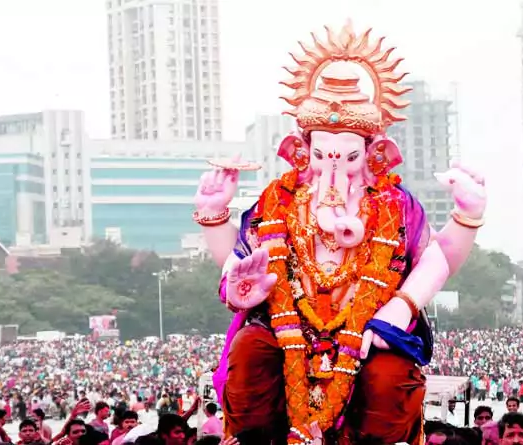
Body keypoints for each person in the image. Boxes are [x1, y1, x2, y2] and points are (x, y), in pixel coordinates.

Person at [196, 20, 487, 445]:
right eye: (320, 155)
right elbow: (241, 261)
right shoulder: (280, 200)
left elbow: (436, 259)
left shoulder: (394, 206)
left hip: (370, 328)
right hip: (284, 324)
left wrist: (466, 218)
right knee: (248, 362)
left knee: (390, 383)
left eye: (350, 158)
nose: (333, 172)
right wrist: (215, 216)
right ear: (299, 151)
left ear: (376, 153)